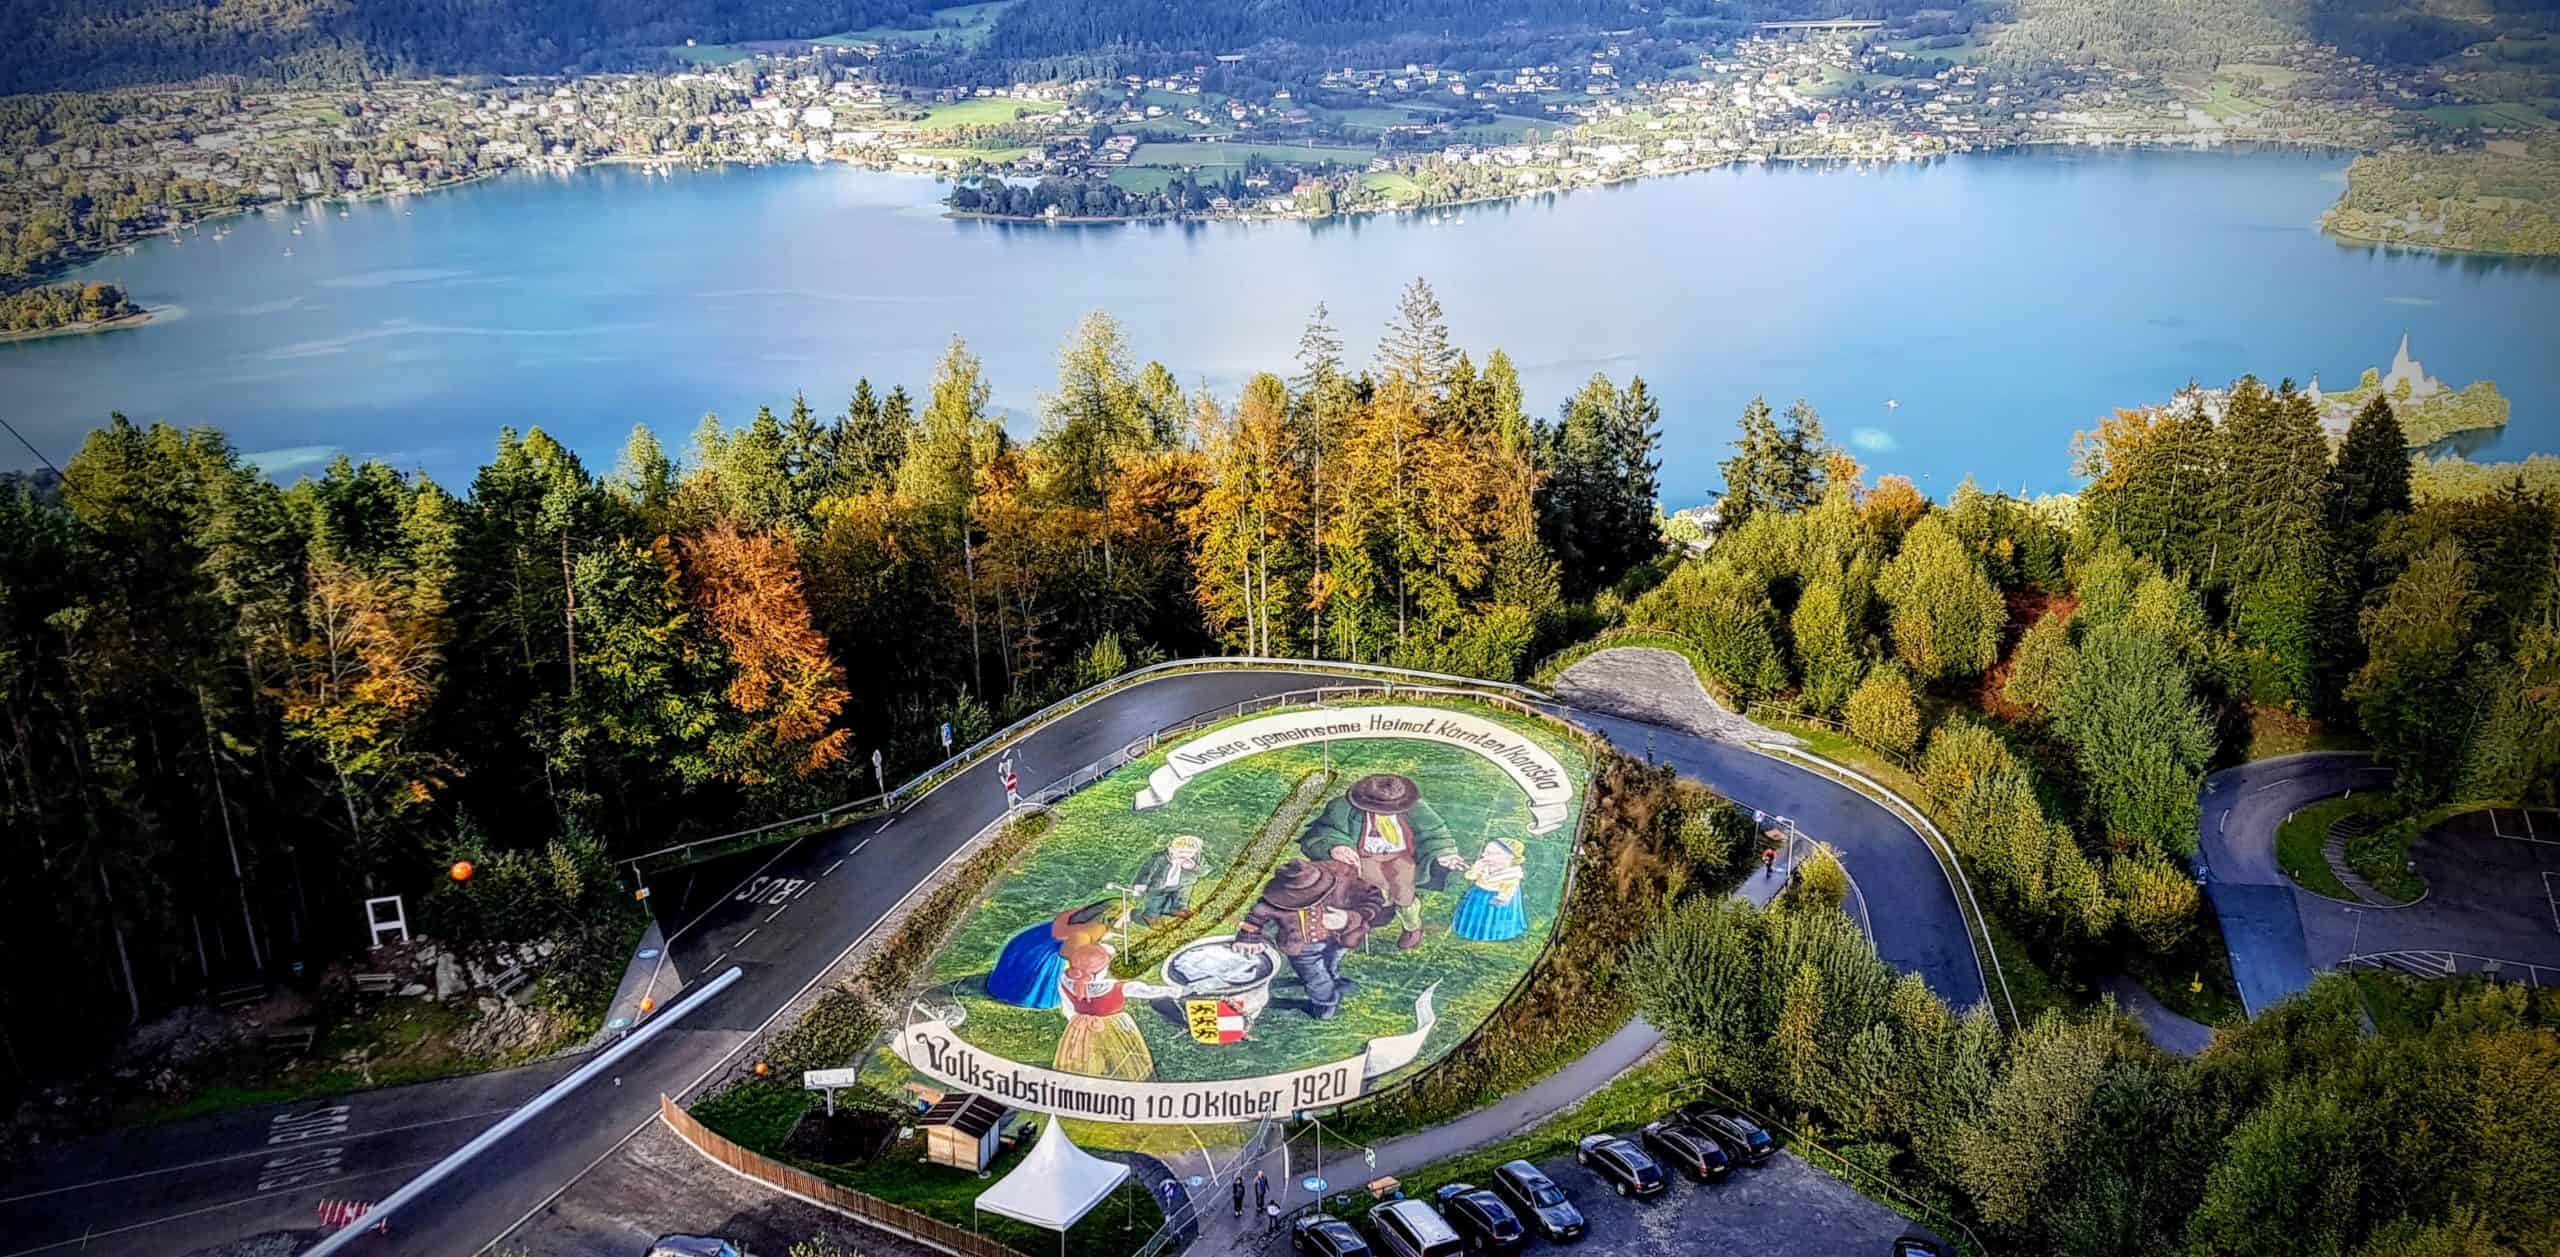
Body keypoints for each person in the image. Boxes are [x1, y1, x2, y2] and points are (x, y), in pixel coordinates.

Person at [1298, 773, 1462, 950]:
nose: (1384, 812)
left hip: (1400, 854)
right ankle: (1365, 922)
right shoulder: (1342, 807)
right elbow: (1324, 831)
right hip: (1365, 855)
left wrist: (1445, 852)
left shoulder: (1415, 807)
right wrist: (1337, 846)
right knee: (1374, 890)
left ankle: (1412, 927)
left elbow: (1435, 832)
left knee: (1404, 892)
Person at [1233, 858, 1392, 1020]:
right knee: (1316, 979)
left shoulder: (1342, 876)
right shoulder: (1275, 899)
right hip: (1303, 947)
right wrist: (1247, 938)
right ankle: (1325, 1004)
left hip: (1338, 939)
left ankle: (1334, 979)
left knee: (1332, 962)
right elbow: (1255, 917)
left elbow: (1374, 897)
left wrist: (1349, 918)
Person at [1052, 941, 1181, 1080]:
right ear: (1101, 971)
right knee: (1123, 1056)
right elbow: (1147, 991)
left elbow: (1068, 1007)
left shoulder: (1066, 980)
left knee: (1085, 1057)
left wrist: (1077, 1021)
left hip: (1080, 1025)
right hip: (1114, 1025)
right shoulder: (1113, 987)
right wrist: (1176, 991)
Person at [985, 902, 1117, 1009]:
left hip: (1041, 944)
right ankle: (1019, 994)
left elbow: (1063, 921)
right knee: (1030, 974)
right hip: (1036, 949)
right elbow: (1066, 944)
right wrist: (1080, 975)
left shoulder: (1091, 929)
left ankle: (1029, 993)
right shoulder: (1082, 935)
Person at [1449, 837, 1529, 943]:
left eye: (1491, 853)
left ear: (1509, 857)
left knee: (1493, 918)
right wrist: (1476, 869)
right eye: (1485, 852)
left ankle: (1493, 934)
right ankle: (1469, 931)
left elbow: (1509, 890)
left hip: (1497, 898)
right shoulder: (1484, 866)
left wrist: (1502, 898)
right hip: (1478, 895)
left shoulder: (1511, 874)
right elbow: (1470, 876)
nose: (1484, 856)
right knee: (1474, 915)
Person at [1128, 834, 1207, 924]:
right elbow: (1147, 870)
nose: (1185, 855)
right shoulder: (1160, 858)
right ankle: (1151, 916)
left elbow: (1204, 871)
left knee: (1182, 896)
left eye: (1189, 853)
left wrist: (1193, 867)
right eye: (1181, 852)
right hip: (1160, 885)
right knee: (1156, 900)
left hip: (1182, 885)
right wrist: (1141, 883)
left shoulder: (1197, 859)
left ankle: (1178, 909)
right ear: (1171, 849)